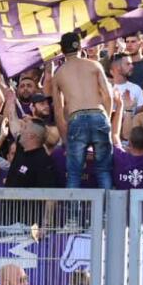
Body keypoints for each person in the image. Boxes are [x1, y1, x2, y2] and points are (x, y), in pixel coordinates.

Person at [52, 31, 114, 191]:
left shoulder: (58, 74)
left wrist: (64, 138)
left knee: (74, 174)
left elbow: (58, 111)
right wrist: (105, 118)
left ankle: (72, 215)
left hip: (76, 119)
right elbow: (108, 96)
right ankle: (107, 214)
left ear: (62, 51)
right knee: (103, 171)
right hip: (98, 115)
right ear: (80, 46)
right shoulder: (94, 65)